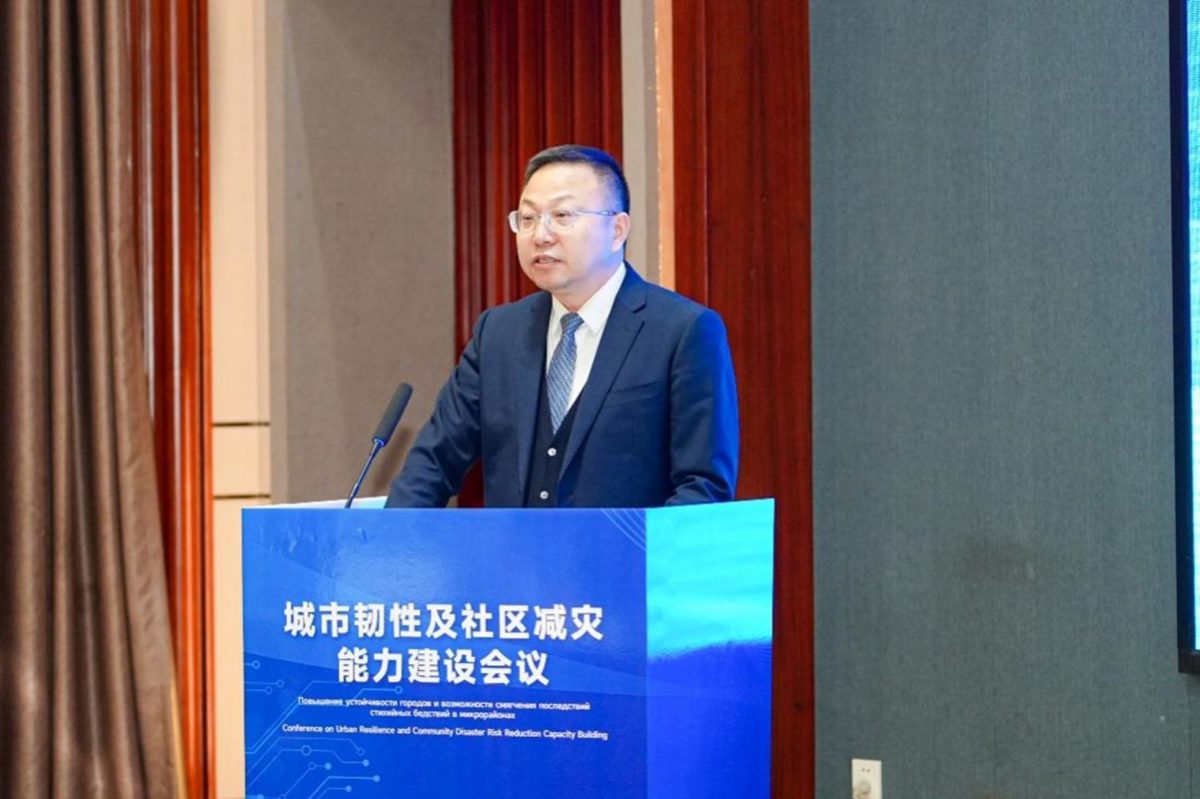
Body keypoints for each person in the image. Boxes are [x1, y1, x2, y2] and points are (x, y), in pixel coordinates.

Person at [385, 144, 738, 508]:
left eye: (562, 215)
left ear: (617, 230)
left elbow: (702, 489)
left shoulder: (683, 331)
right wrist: (386, 535)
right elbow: (433, 463)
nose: (541, 235)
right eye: (528, 218)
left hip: (625, 548)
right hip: (511, 548)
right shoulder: (498, 333)